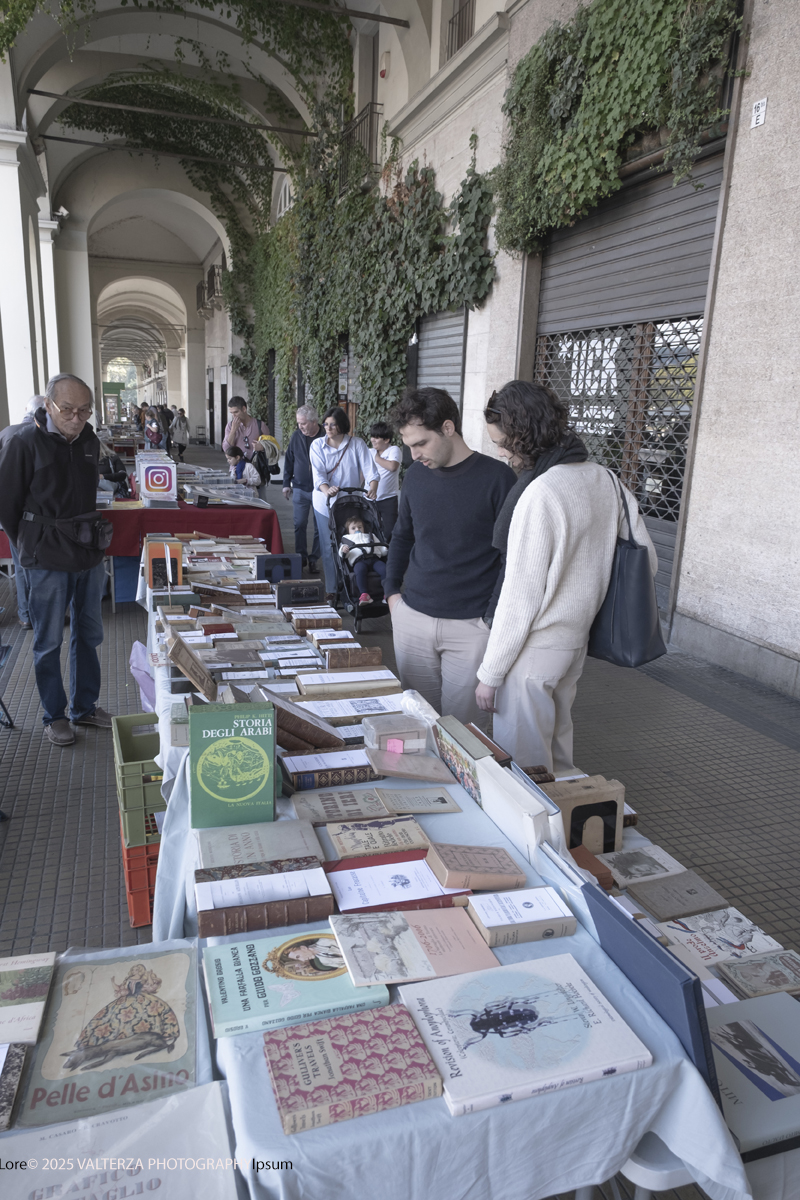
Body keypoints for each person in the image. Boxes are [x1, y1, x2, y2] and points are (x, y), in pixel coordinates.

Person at [474, 380, 657, 775]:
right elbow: (649, 563)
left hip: (533, 649)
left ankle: (544, 836)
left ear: (524, 435)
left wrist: (489, 675)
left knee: (525, 772)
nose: (501, 452)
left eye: (502, 442)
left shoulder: (540, 494)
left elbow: (519, 597)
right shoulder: (607, 480)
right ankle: (570, 829)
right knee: (558, 757)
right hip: (574, 645)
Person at [384, 387, 516, 726]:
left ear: (447, 428)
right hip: (411, 616)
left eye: (420, 444)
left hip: (471, 628)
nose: (414, 455)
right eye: (409, 445)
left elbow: (510, 558)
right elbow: (402, 536)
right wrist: (392, 596)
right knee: (417, 722)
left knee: (465, 733)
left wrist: (489, 619)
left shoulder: (498, 478)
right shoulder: (415, 475)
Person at [0, 374, 115, 747]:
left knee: (90, 633)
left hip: (87, 551)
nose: (76, 417)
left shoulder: (89, 441)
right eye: (67, 409)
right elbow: (7, 507)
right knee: (48, 640)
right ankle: (55, 715)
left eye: (84, 410)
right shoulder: (23, 442)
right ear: (48, 405)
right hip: (45, 555)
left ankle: (85, 706)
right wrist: (29, 544)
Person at [310, 406, 379, 604]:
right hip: (324, 504)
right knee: (329, 545)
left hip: (350, 502)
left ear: (342, 426)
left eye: (333, 425)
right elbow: (318, 474)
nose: (328, 428)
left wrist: (372, 487)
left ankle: (351, 585)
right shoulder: (317, 445)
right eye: (326, 424)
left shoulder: (356, 444)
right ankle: (332, 589)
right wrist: (326, 490)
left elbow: (371, 471)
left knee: (352, 543)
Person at [0, 395, 43, 628]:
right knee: (37, 567)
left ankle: (26, 614)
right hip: (32, 515)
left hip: (12, 514)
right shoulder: (39, 437)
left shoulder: (6, 432)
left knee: (20, 565)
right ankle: (36, 615)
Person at [282, 404, 324, 574]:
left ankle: (314, 558)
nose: (300, 427)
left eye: (304, 423)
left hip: (320, 489)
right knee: (299, 524)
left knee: (319, 526)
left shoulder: (324, 437)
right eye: (298, 423)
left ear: (314, 422)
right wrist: (286, 483)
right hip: (299, 487)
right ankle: (301, 556)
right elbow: (289, 460)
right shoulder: (296, 436)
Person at [338, 516, 388, 604]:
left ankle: (387, 593)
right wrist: (343, 550)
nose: (357, 529)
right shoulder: (346, 538)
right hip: (359, 561)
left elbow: (380, 547)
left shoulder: (371, 535)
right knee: (359, 571)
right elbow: (342, 554)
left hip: (374, 558)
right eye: (353, 528)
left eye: (360, 527)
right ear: (348, 531)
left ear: (364, 528)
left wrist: (385, 550)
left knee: (385, 569)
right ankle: (364, 594)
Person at [368, 420, 402, 538]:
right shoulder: (370, 452)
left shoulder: (393, 450)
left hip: (388, 498)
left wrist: (376, 458)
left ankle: (389, 555)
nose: (373, 439)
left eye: (376, 437)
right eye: (372, 436)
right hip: (369, 499)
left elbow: (392, 466)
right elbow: (363, 473)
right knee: (370, 531)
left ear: (386, 440)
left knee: (389, 532)